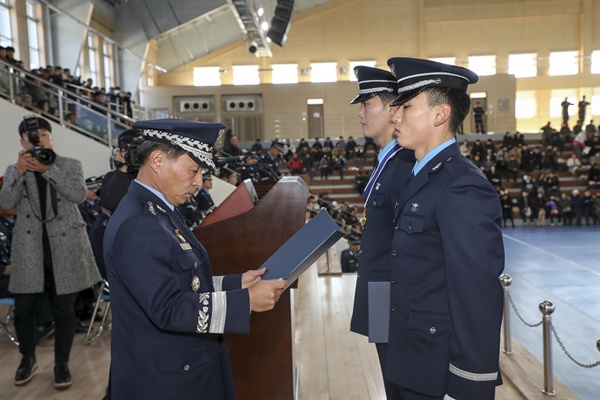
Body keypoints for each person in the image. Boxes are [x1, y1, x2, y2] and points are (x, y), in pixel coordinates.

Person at [103, 118, 287, 399]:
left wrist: (236, 284)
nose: (199, 182)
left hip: (186, 369)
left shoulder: (160, 209)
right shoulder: (137, 224)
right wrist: (246, 300)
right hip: (165, 383)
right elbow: (168, 308)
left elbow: (183, 281)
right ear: (158, 160)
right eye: (194, 170)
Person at [386, 57, 505, 400]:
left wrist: (468, 383)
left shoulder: (461, 186)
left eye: (406, 106)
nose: (395, 114)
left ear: (440, 115)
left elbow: (477, 295)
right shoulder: (422, 175)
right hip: (413, 359)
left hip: (439, 372)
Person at [0, 116, 101, 389]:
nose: (39, 141)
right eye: (33, 137)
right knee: (24, 312)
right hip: (29, 251)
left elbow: (78, 195)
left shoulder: (69, 165)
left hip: (65, 249)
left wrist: (47, 169)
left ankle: (61, 365)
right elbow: (6, 202)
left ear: (51, 138)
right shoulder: (15, 169)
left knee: (64, 311)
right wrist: (20, 172)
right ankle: (27, 358)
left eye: (43, 135)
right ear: (22, 142)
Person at [348, 65, 414, 399]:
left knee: (402, 385)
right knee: (390, 380)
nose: (360, 113)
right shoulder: (387, 159)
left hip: (392, 297)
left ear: (392, 110)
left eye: (366, 104)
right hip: (378, 291)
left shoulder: (403, 164)